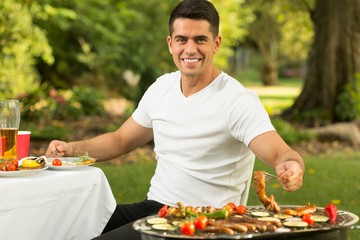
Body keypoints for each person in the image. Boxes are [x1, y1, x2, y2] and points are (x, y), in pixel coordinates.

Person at [46, 0, 305, 233]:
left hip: (206, 221)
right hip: (156, 209)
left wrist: (291, 164)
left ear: (216, 44)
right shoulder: (161, 88)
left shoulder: (237, 101)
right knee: (70, 224)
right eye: (182, 39)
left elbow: (279, 153)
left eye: (200, 40)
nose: (190, 49)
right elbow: (120, 140)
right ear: (171, 44)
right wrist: (71, 149)